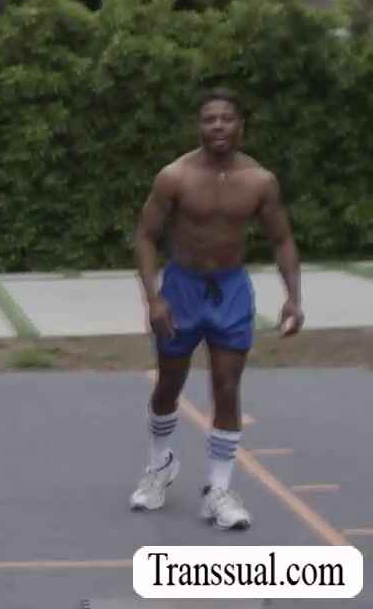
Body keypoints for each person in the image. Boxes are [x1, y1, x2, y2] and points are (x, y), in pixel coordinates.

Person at [130, 88, 303, 530]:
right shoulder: (175, 177)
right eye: (210, 119)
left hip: (230, 290)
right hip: (181, 288)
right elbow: (146, 237)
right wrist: (154, 298)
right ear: (200, 126)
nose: (218, 126)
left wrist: (293, 296)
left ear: (241, 125)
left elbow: (282, 239)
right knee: (169, 384)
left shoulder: (260, 181)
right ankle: (159, 465)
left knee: (227, 387)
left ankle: (218, 491)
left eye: (227, 118)